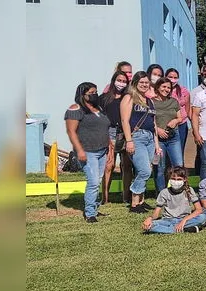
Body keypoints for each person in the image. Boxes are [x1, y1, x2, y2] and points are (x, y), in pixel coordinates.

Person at [65, 82, 111, 222]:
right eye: (91, 92)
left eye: (95, 92)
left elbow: (105, 128)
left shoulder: (99, 108)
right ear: (82, 94)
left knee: (98, 180)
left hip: (102, 150)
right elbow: (71, 131)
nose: (94, 95)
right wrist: (79, 150)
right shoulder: (76, 109)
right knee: (93, 182)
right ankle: (90, 213)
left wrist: (109, 146)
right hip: (88, 151)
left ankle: (95, 209)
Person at [120, 71, 160, 213]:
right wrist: (129, 141)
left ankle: (141, 201)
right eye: (141, 82)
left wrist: (156, 144)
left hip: (149, 137)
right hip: (137, 137)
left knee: (143, 170)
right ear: (135, 83)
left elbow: (154, 124)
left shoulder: (149, 101)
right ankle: (134, 203)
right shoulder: (129, 98)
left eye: (146, 82)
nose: (144, 85)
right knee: (144, 171)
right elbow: (125, 120)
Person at [141, 166, 206, 234]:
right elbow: (156, 213)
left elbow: (199, 209)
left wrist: (184, 220)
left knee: (203, 217)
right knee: (150, 225)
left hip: (185, 219)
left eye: (179, 179)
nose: (176, 181)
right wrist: (150, 218)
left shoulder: (189, 190)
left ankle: (170, 230)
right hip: (167, 220)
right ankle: (185, 229)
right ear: (169, 179)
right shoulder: (164, 192)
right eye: (173, 179)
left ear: (184, 179)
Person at [99, 71, 132, 204]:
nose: (121, 83)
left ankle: (126, 197)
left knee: (127, 165)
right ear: (113, 81)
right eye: (119, 80)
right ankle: (105, 198)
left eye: (124, 81)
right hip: (110, 132)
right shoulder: (104, 98)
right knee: (109, 165)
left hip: (125, 132)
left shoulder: (128, 97)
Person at [151, 78, 184, 192]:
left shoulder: (173, 101)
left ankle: (177, 191)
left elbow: (180, 117)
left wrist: (175, 121)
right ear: (158, 87)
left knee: (178, 165)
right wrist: (158, 130)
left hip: (173, 138)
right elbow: (149, 120)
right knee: (160, 168)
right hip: (158, 139)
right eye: (164, 87)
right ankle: (161, 193)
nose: (166, 89)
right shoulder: (151, 102)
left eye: (169, 87)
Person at [165, 68, 190, 157]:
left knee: (179, 151)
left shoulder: (184, 91)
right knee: (166, 151)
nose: (173, 79)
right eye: (170, 77)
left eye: (175, 77)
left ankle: (179, 170)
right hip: (166, 125)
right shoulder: (163, 90)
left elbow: (187, 108)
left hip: (181, 125)